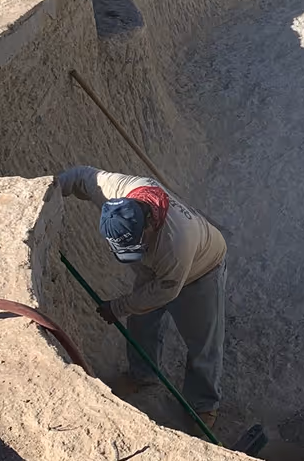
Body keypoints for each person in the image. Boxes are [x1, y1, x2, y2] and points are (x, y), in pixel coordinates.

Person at [56, 166, 227, 428]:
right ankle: (142, 375)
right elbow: (80, 177)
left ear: (148, 225)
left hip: (201, 270)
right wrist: (49, 191)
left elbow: (163, 292)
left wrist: (118, 307)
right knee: (141, 324)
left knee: (202, 341)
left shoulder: (176, 242)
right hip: (154, 268)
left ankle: (203, 405)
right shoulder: (115, 193)